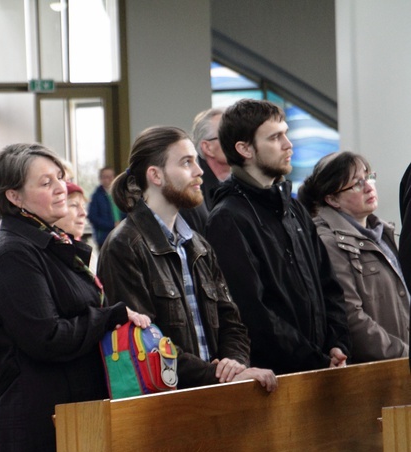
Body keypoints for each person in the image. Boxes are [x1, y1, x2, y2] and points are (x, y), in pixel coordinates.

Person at [0, 142, 150, 452]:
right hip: (36, 420)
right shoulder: (14, 253)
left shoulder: (49, 243)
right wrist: (107, 318)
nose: (61, 188)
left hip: (68, 410)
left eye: (60, 177)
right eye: (45, 183)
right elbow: (46, 337)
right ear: (15, 197)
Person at [98, 126, 276, 391]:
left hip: (214, 392)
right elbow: (145, 343)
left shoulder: (198, 244)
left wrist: (234, 364)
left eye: (195, 160)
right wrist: (217, 374)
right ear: (155, 175)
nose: (199, 171)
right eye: (186, 162)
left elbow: (232, 322)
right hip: (166, 405)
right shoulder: (124, 245)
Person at [206, 99, 351, 375]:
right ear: (244, 149)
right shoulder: (228, 218)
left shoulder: (294, 208)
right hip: (275, 377)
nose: (288, 144)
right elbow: (252, 313)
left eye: (286, 133)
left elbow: (329, 285)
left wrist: (337, 344)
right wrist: (314, 359)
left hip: (320, 367)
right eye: (275, 137)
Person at [299, 152, 409, 362]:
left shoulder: (382, 233)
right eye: (357, 184)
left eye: (369, 177)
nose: (369, 186)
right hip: (374, 369)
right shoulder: (327, 241)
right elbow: (350, 316)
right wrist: (403, 353)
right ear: (332, 199)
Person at [179, 108, 230, 233]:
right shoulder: (190, 189)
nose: (241, 141)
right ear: (208, 147)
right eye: (229, 135)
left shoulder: (244, 182)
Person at [87, 166, 123, 248]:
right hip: (104, 238)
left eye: (111, 176)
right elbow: (92, 217)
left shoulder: (120, 194)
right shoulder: (96, 196)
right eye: (106, 177)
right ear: (101, 179)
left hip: (122, 234)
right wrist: (112, 225)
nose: (110, 179)